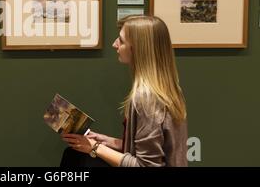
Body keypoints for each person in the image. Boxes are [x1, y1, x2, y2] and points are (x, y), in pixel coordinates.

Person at [61, 15, 188, 167]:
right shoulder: (168, 88)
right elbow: (153, 151)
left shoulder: (147, 98)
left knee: (75, 159)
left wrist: (94, 147)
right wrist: (106, 141)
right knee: (74, 155)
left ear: (138, 49)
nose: (115, 44)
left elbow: (145, 165)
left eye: (121, 40)